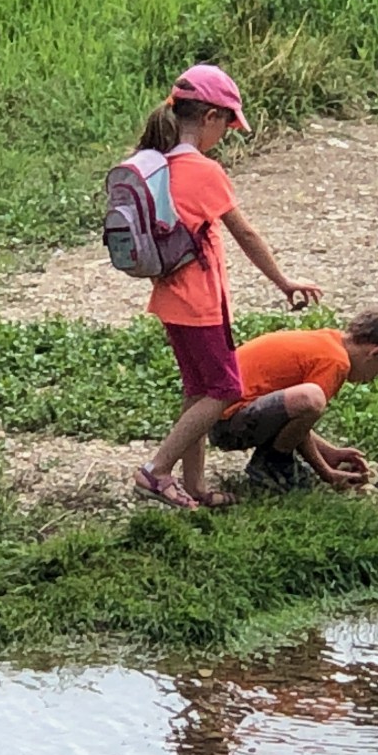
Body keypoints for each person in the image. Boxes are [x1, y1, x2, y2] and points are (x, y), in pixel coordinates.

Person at [133, 65, 323, 510]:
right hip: (199, 303)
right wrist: (283, 281)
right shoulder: (204, 170)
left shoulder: (157, 163)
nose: (225, 135)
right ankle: (156, 471)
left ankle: (195, 485)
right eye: (227, 125)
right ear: (211, 117)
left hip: (170, 298)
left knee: (198, 390)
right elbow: (246, 234)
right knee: (224, 390)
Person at [211, 309, 378, 491]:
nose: (371, 379)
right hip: (228, 425)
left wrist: (329, 452)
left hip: (217, 415)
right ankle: (272, 464)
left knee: (308, 400)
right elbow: (306, 407)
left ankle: (277, 460)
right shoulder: (337, 362)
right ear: (376, 353)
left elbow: (293, 420)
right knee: (312, 398)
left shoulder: (328, 340)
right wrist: (326, 472)